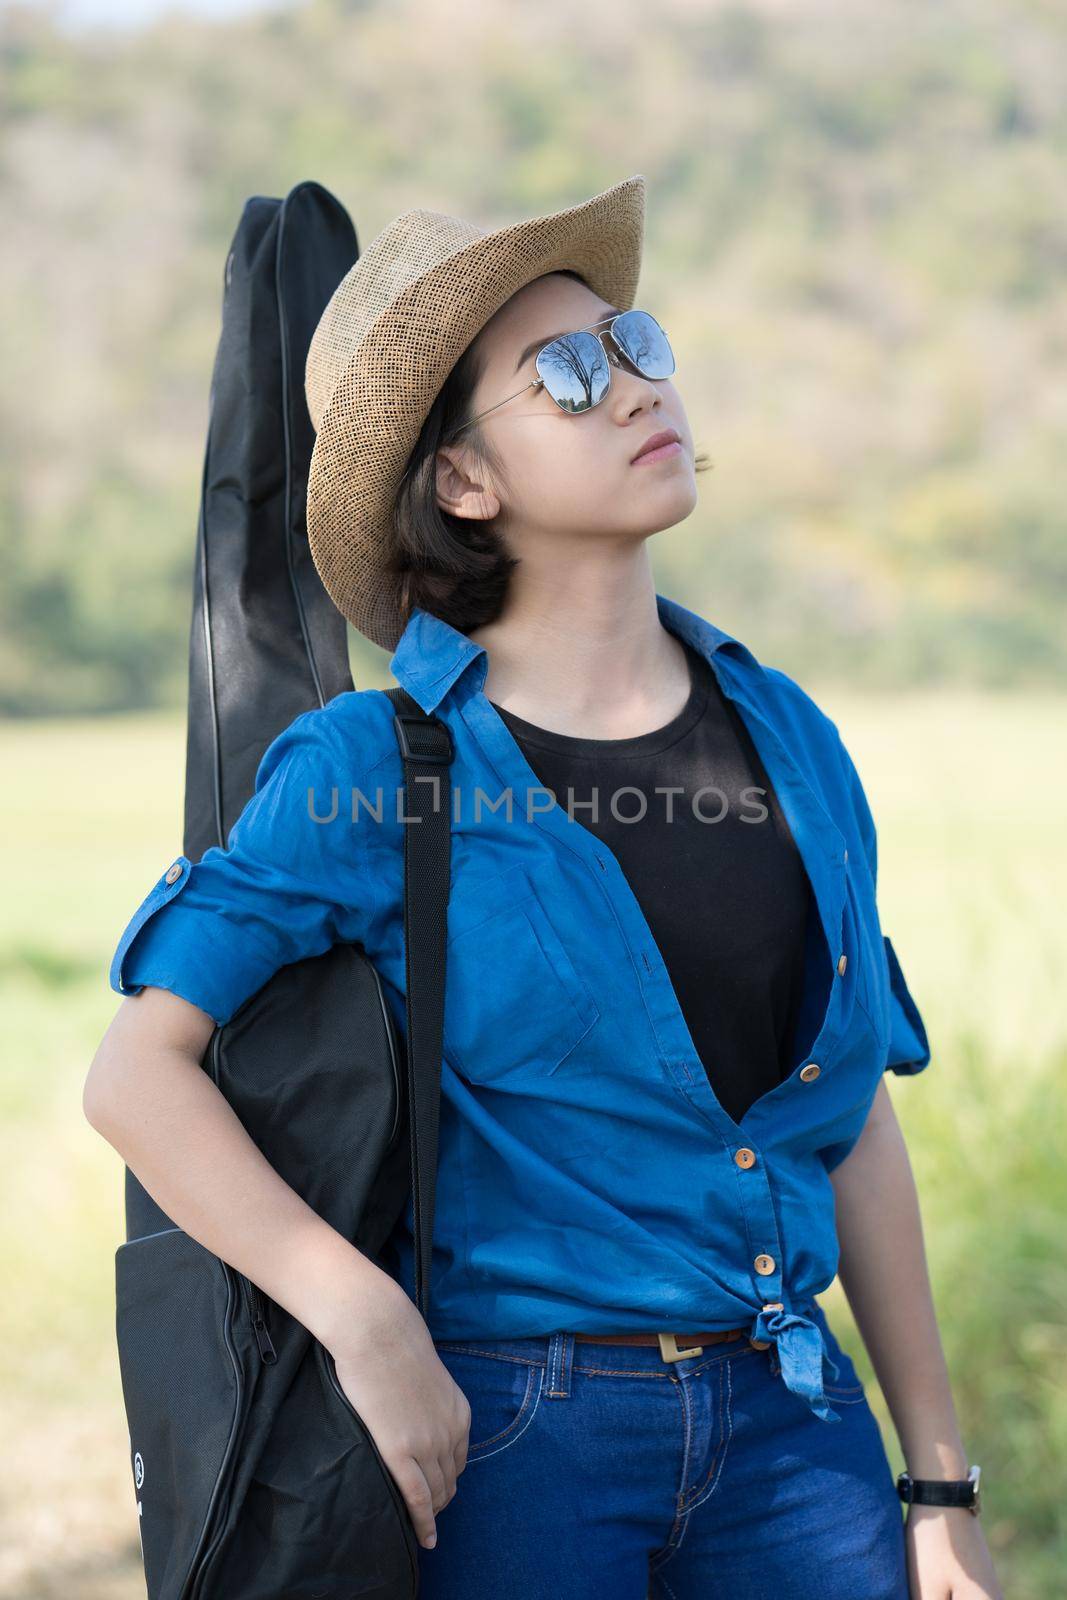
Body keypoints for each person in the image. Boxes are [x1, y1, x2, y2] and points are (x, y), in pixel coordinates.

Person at [84, 175, 1003, 1599]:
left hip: (796, 1429)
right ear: (464, 480)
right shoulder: (372, 768)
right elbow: (138, 1075)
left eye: (636, 345)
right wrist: (361, 1315)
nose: (636, 388)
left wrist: (937, 1484)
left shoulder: (792, 736)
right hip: (518, 1441)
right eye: (567, 374)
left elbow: (852, 1112)